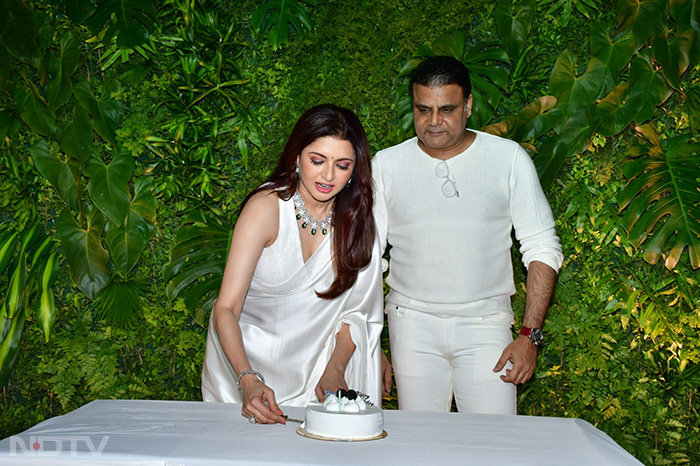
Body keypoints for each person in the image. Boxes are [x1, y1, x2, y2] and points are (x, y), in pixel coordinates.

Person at [372, 56, 564, 415]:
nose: (433, 121)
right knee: (420, 444)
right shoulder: (386, 164)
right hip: (409, 322)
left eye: (446, 109)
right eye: (423, 109)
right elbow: (366, 256)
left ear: (469, 105)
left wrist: (529, 336)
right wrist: (370, 342)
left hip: (486, 325)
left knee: (494, 444)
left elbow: (542, 247)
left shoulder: (507, 159)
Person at [201, 104, 387, 425]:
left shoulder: (358, 222)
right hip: (243, 371)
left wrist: (334, 371)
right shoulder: (266, 209)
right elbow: (225, 308)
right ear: (297, 158)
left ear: (355, 170)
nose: (328, 176)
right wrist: (247, 379)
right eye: (317, 161)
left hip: (317, 372)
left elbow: (357, 315)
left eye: (342, 165)